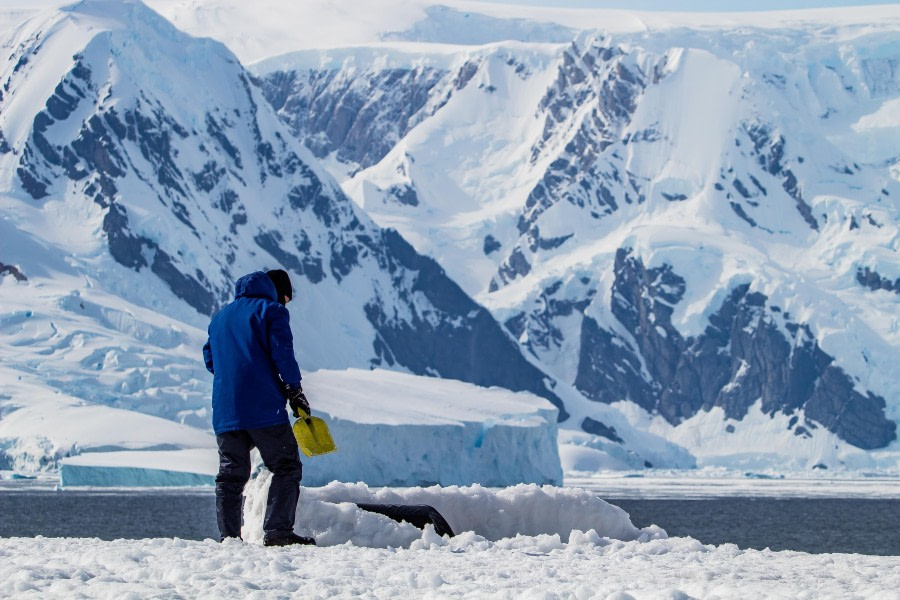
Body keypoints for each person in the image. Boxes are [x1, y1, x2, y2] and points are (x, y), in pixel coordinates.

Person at [202, 269, 315, 546]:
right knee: (286, 465)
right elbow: (282, 353)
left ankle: (229, 538)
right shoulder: (271, 310)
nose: (286, 304)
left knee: (230, 475)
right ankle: (278, 532)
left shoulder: (220, 318)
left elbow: (210, 359)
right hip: (263, 408)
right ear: (279, 293)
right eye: (286, 298)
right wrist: (294, 390)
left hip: (226, 410)